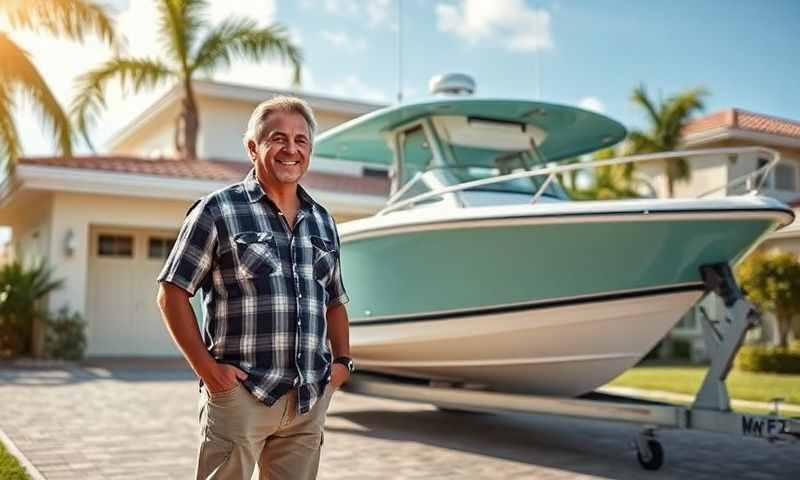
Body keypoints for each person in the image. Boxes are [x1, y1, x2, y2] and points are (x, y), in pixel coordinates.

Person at [156, 96, 354, 480]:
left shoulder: (323, 221)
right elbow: (172, 291)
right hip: (241, 395)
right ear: (253, 148)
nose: (291, 149)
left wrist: (342, 363)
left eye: (301, 140)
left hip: (307, 399)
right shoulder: (217, 210)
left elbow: (334, 300)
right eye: (278, 138)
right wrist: (208, 370)